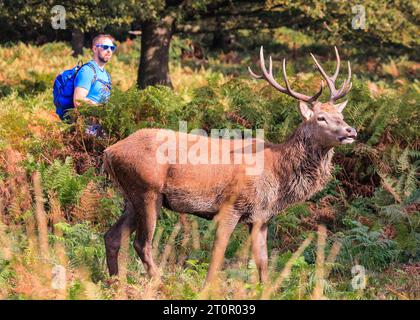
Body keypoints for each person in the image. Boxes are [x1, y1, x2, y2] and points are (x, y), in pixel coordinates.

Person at [73, 34, 115, 136]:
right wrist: (101, 108)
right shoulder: (88, 71)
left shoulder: (106, 75)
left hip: (102, 129)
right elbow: (78, 101)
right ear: (95, 49)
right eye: (105, 47)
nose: (109, 50)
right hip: (87, 130)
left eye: (112, 48)